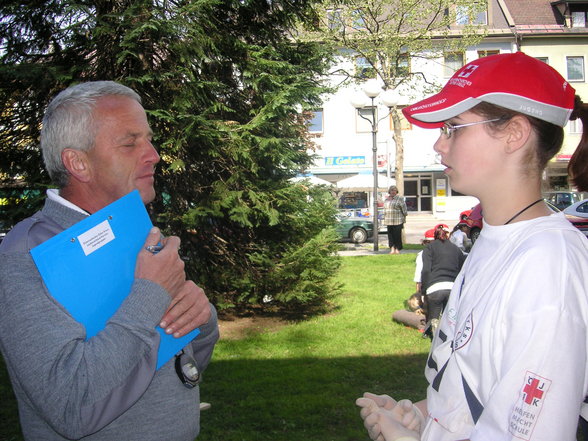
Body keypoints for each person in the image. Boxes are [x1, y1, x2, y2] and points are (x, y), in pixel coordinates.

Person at [356, 52, 588, 440]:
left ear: (514, 134)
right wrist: (423, 415)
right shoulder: (496, 239)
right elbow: (476, 385)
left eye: (452, 127)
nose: (438, 145)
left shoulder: (548, 268)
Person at [0, 81, 219, 441]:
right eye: (130, 143)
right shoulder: (26, 256)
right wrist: (151, 292)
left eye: (148, 140)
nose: (153, 155)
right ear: (78, 162)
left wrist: (201, 319)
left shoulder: (134, 229)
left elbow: (179, 368)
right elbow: (70, 405)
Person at [420, 224, 466, 338]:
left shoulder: (429, 249)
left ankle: (432, 332)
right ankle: (448, 336)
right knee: (450, 319)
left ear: (435, 236)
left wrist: (423, 290)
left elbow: (426, 270)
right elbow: (462, 270)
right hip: (452, 287)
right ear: (448, 235)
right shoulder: (456, 249)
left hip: (434, 288)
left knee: (433, 317)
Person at [383, 185, 408, 254]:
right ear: (389, 191)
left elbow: (404, 209)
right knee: (390, 236)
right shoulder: (387, 199)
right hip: (389, 220)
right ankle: (392, 248)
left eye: (394, 190)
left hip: (398, 220)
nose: (393, 192)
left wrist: (404, 217)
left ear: (396, 191)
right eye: (391, 190)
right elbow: (384, 209)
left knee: (397, 235)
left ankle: (397, 249)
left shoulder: (399, 198)